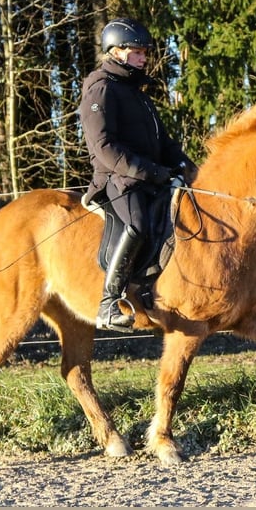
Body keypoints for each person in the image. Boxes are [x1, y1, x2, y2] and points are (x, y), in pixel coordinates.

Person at [79, 17, 196, 332]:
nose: (145, 57)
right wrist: (153, 172)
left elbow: (163, 142)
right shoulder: (100, 88)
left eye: (145, 51)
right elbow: (104, 147)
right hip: (118, 181)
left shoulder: (138, 93)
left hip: (150, 179)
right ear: (116, 51)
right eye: (138, 51)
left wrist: (186, 166)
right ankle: (108, 302)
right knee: (138, 225)